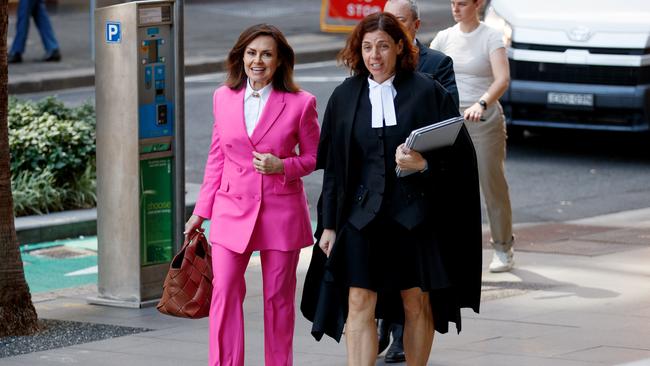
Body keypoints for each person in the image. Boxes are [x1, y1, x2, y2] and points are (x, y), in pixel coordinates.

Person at [301, 12, 482, 366]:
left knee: (415, 301)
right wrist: (328, 223)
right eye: (367, 47)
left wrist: (424, 166)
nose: (375, 56)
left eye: (383, 46)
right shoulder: (345, 96)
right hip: (361, 216)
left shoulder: (428, 92)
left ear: (400, 47)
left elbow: (460, 159)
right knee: (358, 301)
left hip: (414, 216)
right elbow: (336, 169)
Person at [185, 23, 320, 366]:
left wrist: (283, 166)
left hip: (281, 211)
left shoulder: (301, 103)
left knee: (278, 298)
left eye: (266, 54)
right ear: (240, 56)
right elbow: (217, 157)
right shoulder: (222, 97)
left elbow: (315, 156)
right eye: (251, 53)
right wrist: (201, 211)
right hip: (231, 209)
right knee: (224, 291)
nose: (257, 60)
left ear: (279, 61)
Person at [378, 0, 460, 362]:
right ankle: (384, 324)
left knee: (411, 276)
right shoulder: (373, 61)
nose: (390, 28)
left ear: (415, 25)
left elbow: (447, 121)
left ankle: (400, 338)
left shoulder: (437, 65)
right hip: (378, 181)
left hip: (415, 179)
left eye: (398, 21)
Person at [430, 0, 514, 272]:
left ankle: (503, 248)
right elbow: (427, 73)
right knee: (449, 188)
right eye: (453, 3)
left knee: (492, 185)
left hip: (483, 119)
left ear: (478, 4)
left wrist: (482, 103)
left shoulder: (490, 36)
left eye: (462, 3)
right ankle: (452, 251)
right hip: (451, 119)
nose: (455, 8)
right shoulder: (444, 37)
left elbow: (502, 79)